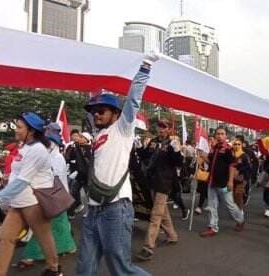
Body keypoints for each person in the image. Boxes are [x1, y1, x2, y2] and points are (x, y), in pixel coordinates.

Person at [75, 57, 155, 276]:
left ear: (116, 113)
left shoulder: (122, 130)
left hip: (115, 208)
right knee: (85, 267)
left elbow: (133, 100)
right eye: (94, 112)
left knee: (120, 269)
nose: (96, 114)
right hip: (93, 210)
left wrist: (144, 68)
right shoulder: (99, 136)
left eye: (102, 110)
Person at [0, 112, 62, 276]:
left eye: (19, 127)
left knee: (43, 238)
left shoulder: (38, 150)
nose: (16, 130)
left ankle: (54, 269)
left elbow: (22, 181)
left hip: (34, 203)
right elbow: (16, 175)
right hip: (18, 202)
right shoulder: (24, 147)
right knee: (5, 236)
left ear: (31, 131)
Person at [17, 133, 76, 269]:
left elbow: (55, 177)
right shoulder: (48, 155)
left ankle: (30, 256)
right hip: (52, 197)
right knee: (58, 226)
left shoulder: (56, 157)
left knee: (44, 228)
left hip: (51, 197)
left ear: (53, 144)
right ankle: (67, 248)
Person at [135, 119, 182, 262]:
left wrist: (177, 151)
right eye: (160, 127)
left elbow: (178, 163)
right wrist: (139, 148)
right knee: (162, 212)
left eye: (164, 127)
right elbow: (144, 157)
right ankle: (172, 236)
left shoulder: (172, 143)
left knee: (155, 214)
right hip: (152, 181)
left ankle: (148, 247)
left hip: (164, 182)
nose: (161, 129)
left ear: (169, 130)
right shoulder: (154, 141)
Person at [200, 127, 245, 238]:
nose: (219, 136)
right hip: (212, 182)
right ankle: (213, 227)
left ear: (226, 136)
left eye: (222, 134)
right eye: (218, 134)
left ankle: (240, 219)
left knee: (230, 205)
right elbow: (211, 163)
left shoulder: (228, 149)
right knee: (211, 206)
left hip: (224, 183)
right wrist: (202, 155)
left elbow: (232, 165)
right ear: (215, 135)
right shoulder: (214, 148)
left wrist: (230, 181)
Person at [231, 137, 252, 209]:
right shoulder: (231, 155)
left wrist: (239, 170)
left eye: (238, 144)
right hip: (232, 178)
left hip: (242, 178)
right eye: (235, 144)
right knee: (233, 195)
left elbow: (249, 167)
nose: (236, 146)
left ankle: (240, 211)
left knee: (238, 194)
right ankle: (236, 209)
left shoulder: (244, 156)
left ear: (241, 145)